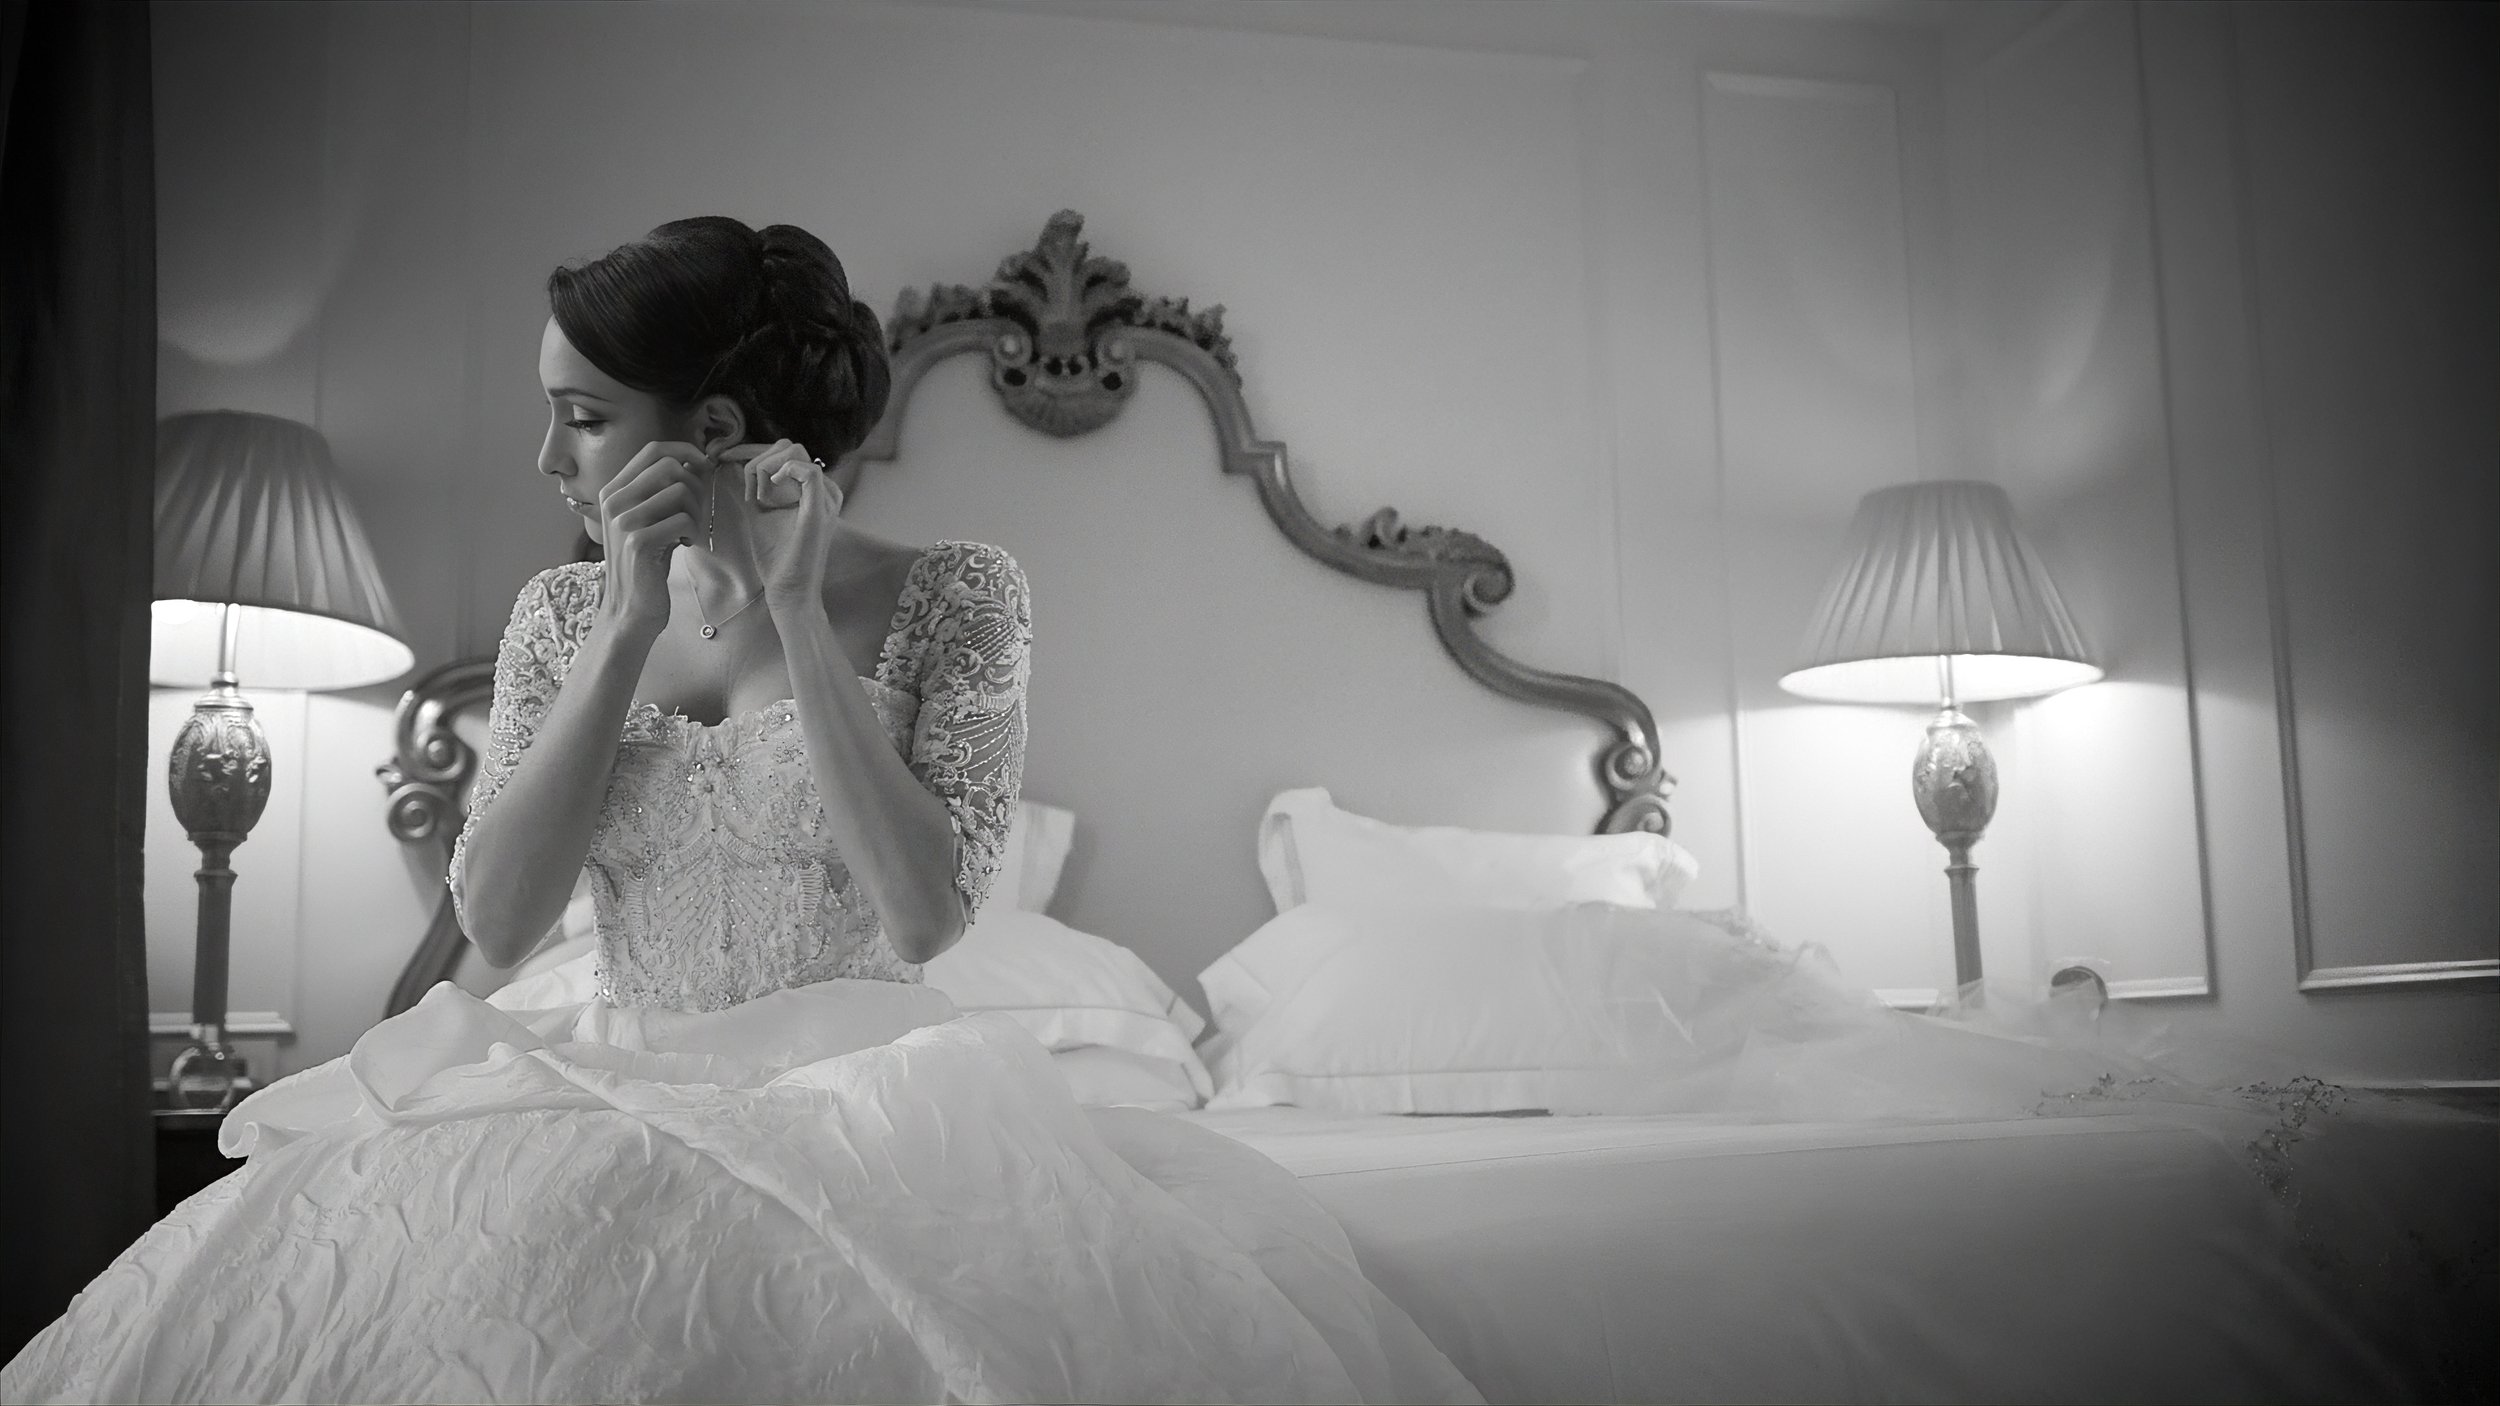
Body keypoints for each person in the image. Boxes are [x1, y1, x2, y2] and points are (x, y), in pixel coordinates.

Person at [0, 219, 1478, 1406]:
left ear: (708, 426)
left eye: (581, 419)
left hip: (870, 1096)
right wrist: (625, 633)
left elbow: (924, 911)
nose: (547, 461)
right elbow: (502, 925)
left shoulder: (958, 594)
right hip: (614, 1069)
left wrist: (795, 612)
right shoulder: (562, 614)